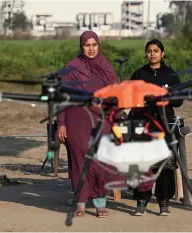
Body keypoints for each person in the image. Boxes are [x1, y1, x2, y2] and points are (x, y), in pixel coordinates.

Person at [57, 31, 119, 218]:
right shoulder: (71, 67)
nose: (91, 49)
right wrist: (61, 123)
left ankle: (100, 204)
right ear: (81, 46)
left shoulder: (107, 68)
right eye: (87, 45)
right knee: (79, 161)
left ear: (98, 45)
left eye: (94, 45)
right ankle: (81, 203)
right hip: (76, 121)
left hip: (102, 121)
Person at [129, 39, 183, 216]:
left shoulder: (171, 75)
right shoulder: (138, 74)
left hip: (164, 124)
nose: (152, 54)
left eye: (156, 51)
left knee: (164, 164)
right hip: (142, 123)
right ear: (145, 54)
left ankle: (164, 201)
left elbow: (179, 100)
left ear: (162, 53)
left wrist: (165, 97)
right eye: (149, 51)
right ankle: (141, 200)